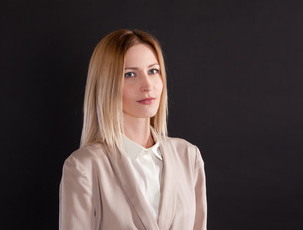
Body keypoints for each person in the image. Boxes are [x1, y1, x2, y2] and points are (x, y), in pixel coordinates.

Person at [59, 29, 207, 230]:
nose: (147, 85)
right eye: (130, 74)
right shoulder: (84, 167)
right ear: (107, 84)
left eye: (153, 71)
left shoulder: (188, 157)